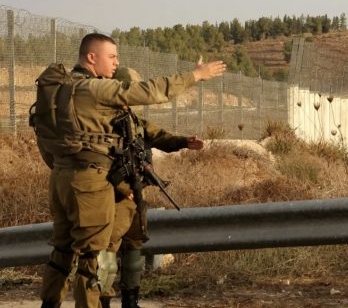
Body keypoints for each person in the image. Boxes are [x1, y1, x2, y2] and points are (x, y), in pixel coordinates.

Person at [39, 33, 226, 308]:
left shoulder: (63, 90)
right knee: (93, 258)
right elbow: (151, 91)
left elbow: (47, 138)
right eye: (111, 56)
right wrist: (196, 76)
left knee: (62, 252)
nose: (115, 63)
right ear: (92, 57)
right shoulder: (93, 89)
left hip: (62, 178)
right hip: (90, 183)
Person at [97, 67, 205, 308]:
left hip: (135, 192)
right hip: (113, 195)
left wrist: (184, 142)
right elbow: (97, 161)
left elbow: (157, 135)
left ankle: (130, 299)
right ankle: (102, 299)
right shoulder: (101, 120)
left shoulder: (133, 120)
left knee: (134, 242)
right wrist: (122, 187)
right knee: (108, 248)